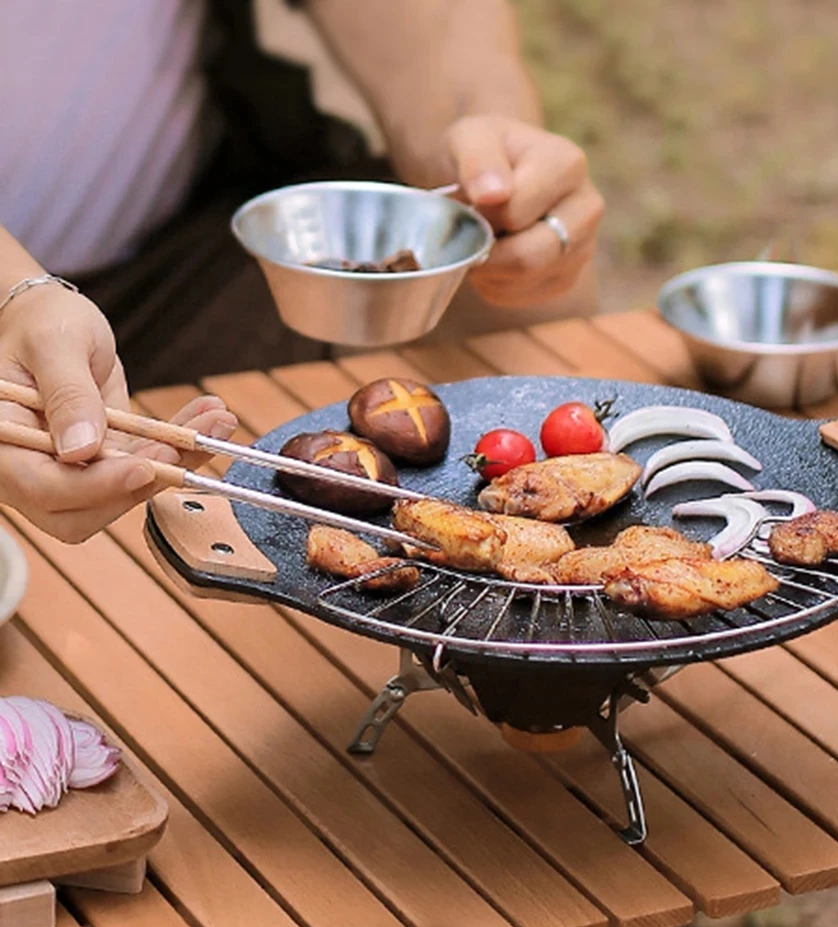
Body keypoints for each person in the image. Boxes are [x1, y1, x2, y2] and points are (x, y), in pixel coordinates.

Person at [0, 0, 604, 544]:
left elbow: (436, 35)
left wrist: (488, 149)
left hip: (192, 250)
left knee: (522, 290)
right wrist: (15, 292)